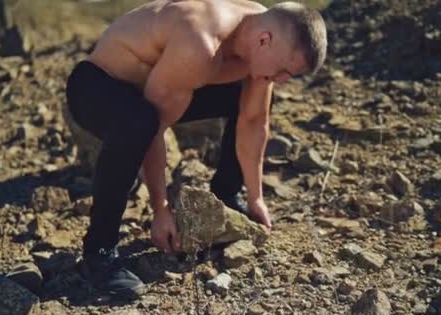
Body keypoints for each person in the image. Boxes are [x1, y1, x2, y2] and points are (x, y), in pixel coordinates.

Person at [65, 0, 327, 297]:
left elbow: (254, 121)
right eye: (283, 71)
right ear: (264, 41)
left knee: (246, 100)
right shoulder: (201, 43)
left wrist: (257, 199)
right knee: (139, 121)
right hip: (97, 86)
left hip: (154, 88)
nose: (282, 80)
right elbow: (156, 128)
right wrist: (161, 211)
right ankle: (98, 252)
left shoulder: (261, 31)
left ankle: (227, 195)